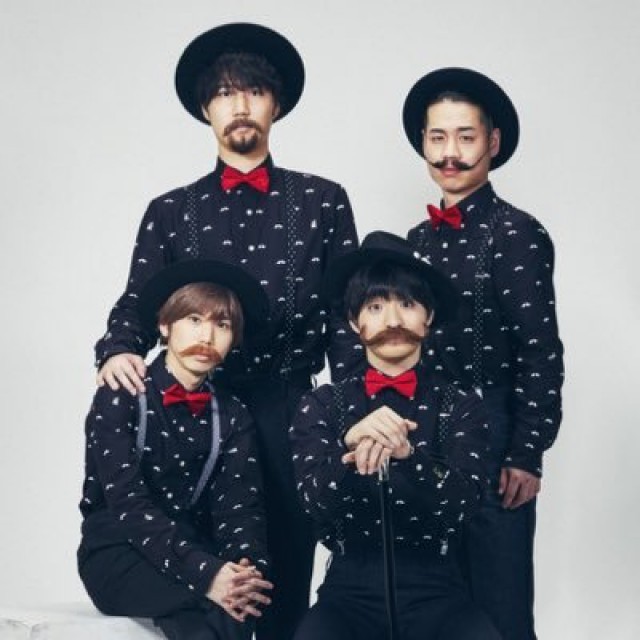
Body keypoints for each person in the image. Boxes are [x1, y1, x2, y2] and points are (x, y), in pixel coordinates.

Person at [93, 22, 361, 640]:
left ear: (276, 105)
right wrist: (118, 350)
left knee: (284, 575)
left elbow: (345, 323)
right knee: (212, 578)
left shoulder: (324, 201)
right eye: (223, 93)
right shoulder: (169, 210)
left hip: (289, 410)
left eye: (254, 91)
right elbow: (138, 301)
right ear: (205, 109)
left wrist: (352, 412)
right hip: (195, 408)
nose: (239, 105)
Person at [402, 67, 565, 639]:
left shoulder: (517, 232)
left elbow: (541, 349)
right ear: (424, 143)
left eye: (465, 136)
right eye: (438, 137)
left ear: (492, 143)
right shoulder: (416, 242)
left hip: (495, 436)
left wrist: (527, 452)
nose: (450, 153)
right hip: (426, 436)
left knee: (499, 609)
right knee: (434, 605)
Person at [290, 231, 502, 640]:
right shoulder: (320, 404)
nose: (392, 321)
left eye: (407, 304)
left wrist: (411, 459)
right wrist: (349, 451)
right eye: (375, 306)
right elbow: (313, 505)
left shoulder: (462, 405)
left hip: (439, 588)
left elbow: (466, 506)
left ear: (429, 316)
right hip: (349, 590)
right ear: (355, 322)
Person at [78, 259, 273, 640]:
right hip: (117, 552)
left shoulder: (233, 414)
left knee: (239, 602)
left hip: (193, 549)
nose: (207, 335)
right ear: (165, 326)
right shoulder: (121, 393)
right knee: (213, 603)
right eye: (194, 319)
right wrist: (208, 574)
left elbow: (240, 509)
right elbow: (128, 505)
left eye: (222, 324)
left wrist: (244, 568)